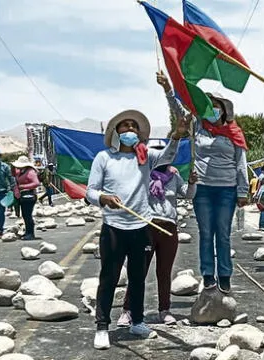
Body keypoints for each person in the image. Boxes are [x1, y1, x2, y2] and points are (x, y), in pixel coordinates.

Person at [86, 100, 188, 349]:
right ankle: (102, 326)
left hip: (141, 226)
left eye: (133, 126)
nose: (130, 129)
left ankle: (137, 321)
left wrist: (176, 135)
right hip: (113, 227)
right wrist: (103, 198)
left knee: (137, 278)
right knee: (109, 276)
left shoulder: (147, 157)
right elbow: (90, 191)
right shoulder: (104, 158)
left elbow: (168, 157)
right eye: (125, 126)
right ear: (115, 132)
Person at [158, 72, 249, 294]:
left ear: (224, 109)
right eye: (210, 105)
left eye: (217, 105)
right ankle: (208, 275)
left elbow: (240, 163)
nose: (213, 109)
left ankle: (225, 275)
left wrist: (243, 191)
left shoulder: (234, 133)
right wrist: (168, 89)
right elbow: (178, 112)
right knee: (206, 233)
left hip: (227, 190)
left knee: (223, 234)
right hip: (202, 189)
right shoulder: (198, 126)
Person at [117, 154, 198, 327]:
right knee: (139, 271)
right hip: (146, 228)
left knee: (164, 272)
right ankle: (128, 310)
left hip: (168, 229)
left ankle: (164, 310)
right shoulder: (142, 175)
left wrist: (191, 182)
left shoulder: (174, 176)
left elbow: (188, 195)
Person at [12, 156, 40, 240]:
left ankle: (31, 234)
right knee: (24, 215)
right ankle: (27, 232)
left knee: (28, 215)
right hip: (22, 196)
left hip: (30, 195)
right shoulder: (20, 171)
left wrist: (23, 186)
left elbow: (36, 183)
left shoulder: (30, 172)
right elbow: (13, 175)